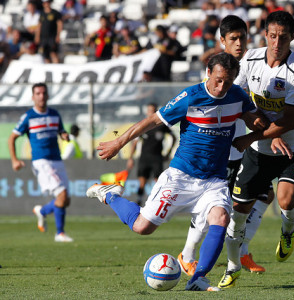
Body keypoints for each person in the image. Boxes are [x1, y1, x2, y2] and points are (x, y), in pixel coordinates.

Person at [86, 52, 268, 291]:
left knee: (221, 219)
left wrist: (255, 135)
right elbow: (152, 121)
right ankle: (109, 194)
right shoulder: (190, 97)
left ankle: (198, 278)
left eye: (228, 81)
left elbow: (258, 122)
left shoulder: (237, 95)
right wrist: (118, 143)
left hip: (214, 179)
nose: (222, 86)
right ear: (208, 73)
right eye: (218, 80)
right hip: (181, 176)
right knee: (142, 227)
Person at [219, 11, 294, 288]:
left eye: (283, 37)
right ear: (265, 35)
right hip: (261, 148)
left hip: (292, 146)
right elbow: (239, 98)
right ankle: (233, 267)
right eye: (272, 36)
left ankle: (288, 231)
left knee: (286, 200)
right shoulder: (250, 59)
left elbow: (289, 121)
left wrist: (251, 137)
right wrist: (265, 134)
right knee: (238, 212)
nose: (276, 42)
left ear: (292, 37)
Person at [178, 15, 272, 277]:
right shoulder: (220, 73)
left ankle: (242, 251)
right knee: (215, 208)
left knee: (264, 196)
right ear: (222, 41)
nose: (240, 43)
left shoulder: (250, 66)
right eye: (233, 38)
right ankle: (187, 254)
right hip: (225, 152)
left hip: (247, 147)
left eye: (243, 37)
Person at [8, 83, 73, 242]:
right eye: (38, 93)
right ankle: (60, 234)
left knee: (66, 200)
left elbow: (61, 131)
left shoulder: (55, 114)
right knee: (62, 195)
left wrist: (64, 135)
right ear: (33, 97)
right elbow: (12, 138)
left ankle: (43, 211)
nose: (41, 96)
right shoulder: (28, 117)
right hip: (41, 161)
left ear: (48, 95)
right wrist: (15, 160)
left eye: (44, 93)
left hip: (56, 159)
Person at [126, 103, 176, 206]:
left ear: (156, 111)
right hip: (144, 157)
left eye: (152, 110)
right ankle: (139, 203)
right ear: (146, 112)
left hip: (157, 157)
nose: (150, 112)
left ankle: (158, 204)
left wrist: (168, 153)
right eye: (149, 110)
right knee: (142, 183)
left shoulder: (162, 125)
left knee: (158, 182)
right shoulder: (142, 125)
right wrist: (130, 158)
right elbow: (135, 142)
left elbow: (174, 138)